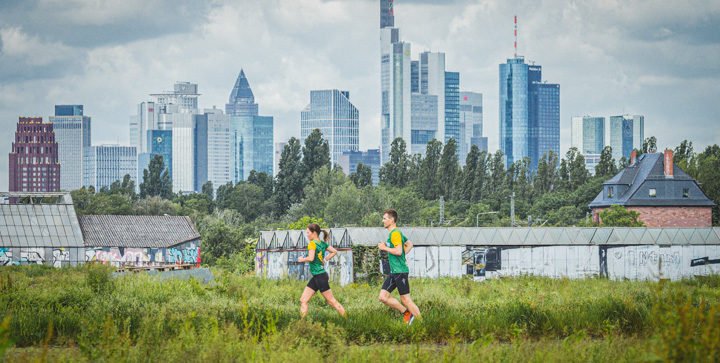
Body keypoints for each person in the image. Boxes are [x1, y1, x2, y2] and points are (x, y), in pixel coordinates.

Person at [377, 209, 421, 325]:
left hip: (400, 271)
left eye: (385, 218)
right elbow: (409, 244)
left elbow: (397, 251)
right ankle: (407, 314)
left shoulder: (395, 233)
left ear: (391, 220)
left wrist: (384, 248)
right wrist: (400, 254)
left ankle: (422, 324)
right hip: (394, 271)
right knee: (383, 297)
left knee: (406, 300)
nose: (383, 221)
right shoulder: (394, 234)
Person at [298, 223, 347, 319]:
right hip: (318, 276)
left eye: (308, 233)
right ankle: (302, 324)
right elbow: (334, 251)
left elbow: (311, 258)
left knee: (331, 301)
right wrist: (325, 259)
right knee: (303, 300)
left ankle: (347, 320)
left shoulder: (312, 244)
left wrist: (302, 259)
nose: (307, 235)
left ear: (314, 233)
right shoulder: (322, 243)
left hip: (320, 277)